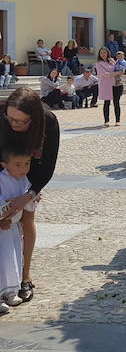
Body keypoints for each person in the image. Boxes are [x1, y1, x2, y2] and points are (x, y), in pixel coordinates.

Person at [0, 87, 60, 303]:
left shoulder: (48, 121)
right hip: (3, 171)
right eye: (11, 119)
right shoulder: (3, 117)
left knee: (26, 220)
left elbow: (48, 167)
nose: (14, 125)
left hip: (30, 172)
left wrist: (30, 194)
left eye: (21, 121)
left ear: (33, 118)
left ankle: (25, 277)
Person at [0, 149, 32, 313]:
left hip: (12, 227)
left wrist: (34, 197)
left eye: (27, 164)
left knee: (12, 257)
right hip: (1, 227)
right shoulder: (1, 179)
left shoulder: (23, 179)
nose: (23, 168)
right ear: (4, 165)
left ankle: (10, 291)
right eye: (18, 165)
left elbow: (28, 197)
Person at [95, 47, 123, 127]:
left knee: (116, 102)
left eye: (104, 52)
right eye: (101, 53)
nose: (103, 54)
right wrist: (117, 73)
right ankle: (106, 120)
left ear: (108, 53)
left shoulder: (112, 60)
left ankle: (118, 120)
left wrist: (121, 70)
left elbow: (118, 68)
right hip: (106, 85)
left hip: (116, 84)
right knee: (106, 102)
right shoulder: (98, 63)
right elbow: (105, 74)